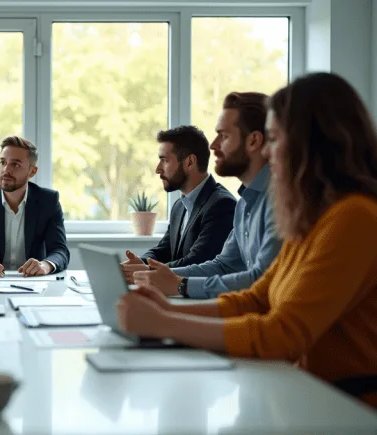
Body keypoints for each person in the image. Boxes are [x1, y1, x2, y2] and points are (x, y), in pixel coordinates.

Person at [117, 72, 377, 408]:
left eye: (274, 139)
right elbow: (256, 298)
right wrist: (165, 308)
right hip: (303, 392)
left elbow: (283, 334)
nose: (267, 153)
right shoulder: (313, 218)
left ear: (310, 143)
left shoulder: (354, 217)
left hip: (344, 407)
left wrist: (167, 322)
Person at [132, 92, 283, 299]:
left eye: (224, 136)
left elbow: (260, 280)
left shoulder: (281, 201)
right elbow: (224, 264)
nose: (213, 146)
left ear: (254, 141)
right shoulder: (244, 204)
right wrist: (151, 275)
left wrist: (180, 285)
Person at [122, 125, 236, 281]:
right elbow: (163, 250)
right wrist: (138, 263)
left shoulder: (222, 205)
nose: (158, 169)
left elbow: (198, 261)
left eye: (165, 160)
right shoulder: (179, 206)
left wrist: (146, 270)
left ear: (190, 162)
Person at [0, 136, 70, 277]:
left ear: (32, 171)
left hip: (33, 283)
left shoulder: (48, 201)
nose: (6, 170)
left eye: (15, 164)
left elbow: (60, 251)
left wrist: (45, 266)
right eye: (3, 162)